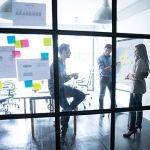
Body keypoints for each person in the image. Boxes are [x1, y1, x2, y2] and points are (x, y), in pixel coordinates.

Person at [48, 43, 85, 142]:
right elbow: (60, 79)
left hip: (61, 87)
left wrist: (71, 75)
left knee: (81, 95)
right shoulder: (56, 63)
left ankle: (65, 112)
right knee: (67, 109)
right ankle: (62, 133)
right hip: (55, 89)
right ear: (63, 52)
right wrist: (72, 75)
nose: (70, 53)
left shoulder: (63, 62)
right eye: (69, 51)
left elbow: (63, 78)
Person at [123, 43, 149, 138]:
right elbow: (143, 75)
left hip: (136, 88)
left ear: (140, 51)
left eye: (136, 50)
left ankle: (131, 129)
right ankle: (138, 125)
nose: (134, 52)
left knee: (132, 108)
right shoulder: (143, 60)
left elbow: (137, 76)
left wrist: (129, 76)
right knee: (138, 106)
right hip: (139, 87)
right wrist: (132, 75)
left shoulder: (140, 61)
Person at [97, 44, 112, 116]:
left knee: (112, 94)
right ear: (104, 49)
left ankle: (113, 108)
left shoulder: (112, 57)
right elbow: (102, 70)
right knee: (102, 94)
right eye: (106, 50)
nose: (108, 52)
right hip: (103, 78)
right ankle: (101, 110)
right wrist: (111, 67)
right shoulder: (100, 58)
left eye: (109, 51)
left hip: (111, 78)